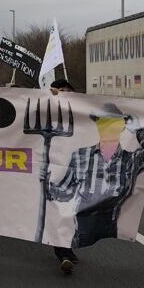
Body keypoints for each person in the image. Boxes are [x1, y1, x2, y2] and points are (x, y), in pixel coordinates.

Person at [48, 102, 144, 259]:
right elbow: (64, 191)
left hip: (111, 225)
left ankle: (65, 252)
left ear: (121, 126)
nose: (108, 127)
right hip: (80, 225)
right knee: (68, 233)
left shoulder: (131, 159)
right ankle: (63, 252)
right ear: (98, 126)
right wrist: (47, 185)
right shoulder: (80, 156)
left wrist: (138, 130)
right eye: (103, 122)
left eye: (113, 122)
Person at [48, 79, 80, 273]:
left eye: (67, 91)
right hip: (54, 168)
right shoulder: (47, 109)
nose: (64, 93)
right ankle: (63, 252)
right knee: (59, 210)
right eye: (60, 90)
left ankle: (67, 248)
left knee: (72, 212)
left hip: (76, 168)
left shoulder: (80, 111)